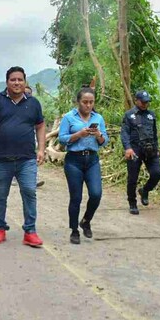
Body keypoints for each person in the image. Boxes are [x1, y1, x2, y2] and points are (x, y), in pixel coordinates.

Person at [0, 66, 46, 247]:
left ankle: (30, 231)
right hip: (1, 159)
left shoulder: (33, 103)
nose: (17, 83)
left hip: (27, 159)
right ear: (7, 82)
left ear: (25, 82)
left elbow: (40, 126)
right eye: (13, 80)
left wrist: (41, 149)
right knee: (0, 195)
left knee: (30, 193)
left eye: (20, 80)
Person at [58, 87, 108, 244]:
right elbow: (62, 139)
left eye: (91, 102)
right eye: (85, 102)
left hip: (92, 159)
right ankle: (74, 230)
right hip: (74, 160)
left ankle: (86, 220)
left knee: (96, 194)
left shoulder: (98, 118)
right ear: (78, 102)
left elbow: (104, 141)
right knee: (76, 197)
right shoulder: (69, 117)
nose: (88, 105)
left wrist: (98, 134)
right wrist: (79, 135)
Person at [121, 90, 160, 215]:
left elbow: (154, 133)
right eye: (143, 102)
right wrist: (127, 148)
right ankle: (132, 203)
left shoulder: (151, 115)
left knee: (157, 174)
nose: (145, 104)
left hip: (150, 149)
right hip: (135, 149)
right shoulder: (129, 115)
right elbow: (124, 133)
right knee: (132, 178)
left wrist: (157, 147)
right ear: (136, 100)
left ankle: (145, 190)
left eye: (147, 102)